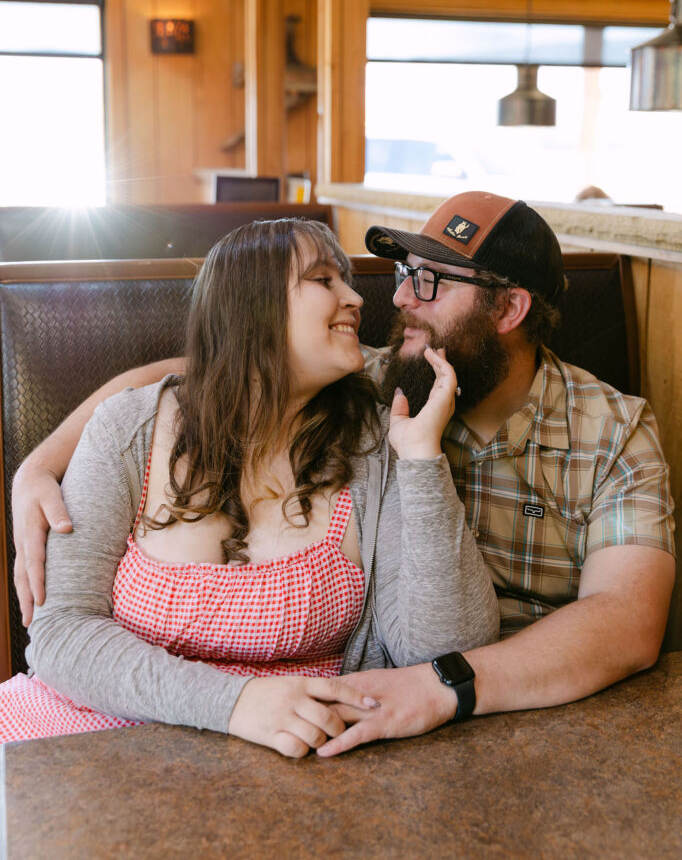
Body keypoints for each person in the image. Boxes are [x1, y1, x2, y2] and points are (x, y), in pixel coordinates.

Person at [11, 192, 675, 757]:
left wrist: (444, 682)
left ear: (508, 311)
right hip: (353, 712)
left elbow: (626, 620)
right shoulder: (381, 379)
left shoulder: (608, 429)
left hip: (510, 714)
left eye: (432, 281)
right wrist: (37, 465)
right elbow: (206, 372)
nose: (398, 298)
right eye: (405, 272)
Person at [1, 217, 498, 757]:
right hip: (88, 731)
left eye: (347, 280)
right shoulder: (129, 428)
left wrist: (424, 460)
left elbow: (447, 650)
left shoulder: (379, 443)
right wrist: (235, 703)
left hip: (297, 760)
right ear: (251, 304)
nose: (356, 297)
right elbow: (61, 633)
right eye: (324, 279)